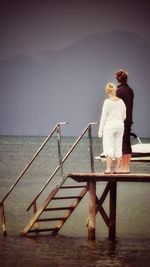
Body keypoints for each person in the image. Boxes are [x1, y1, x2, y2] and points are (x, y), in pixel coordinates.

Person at [98, 82, 126, 173]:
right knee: (118, 146)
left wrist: (100, 131)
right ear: (115, 90)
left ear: (107, 91)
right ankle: (117, 169)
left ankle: (108, 169)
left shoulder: (107, 102)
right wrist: (118, 120)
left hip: (109, 126)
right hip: (119, 125)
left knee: (109, 146)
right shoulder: (121, 102)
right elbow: (124, 116)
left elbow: (103, 117)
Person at [115, 69, 134, 173]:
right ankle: (127, 167)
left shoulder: (119, 91)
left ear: (119, 78)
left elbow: (116, 107)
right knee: (127, 143)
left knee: (123, 143)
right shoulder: (130, 90)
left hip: (122, 120)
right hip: (129, 119)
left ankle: (124, 168)